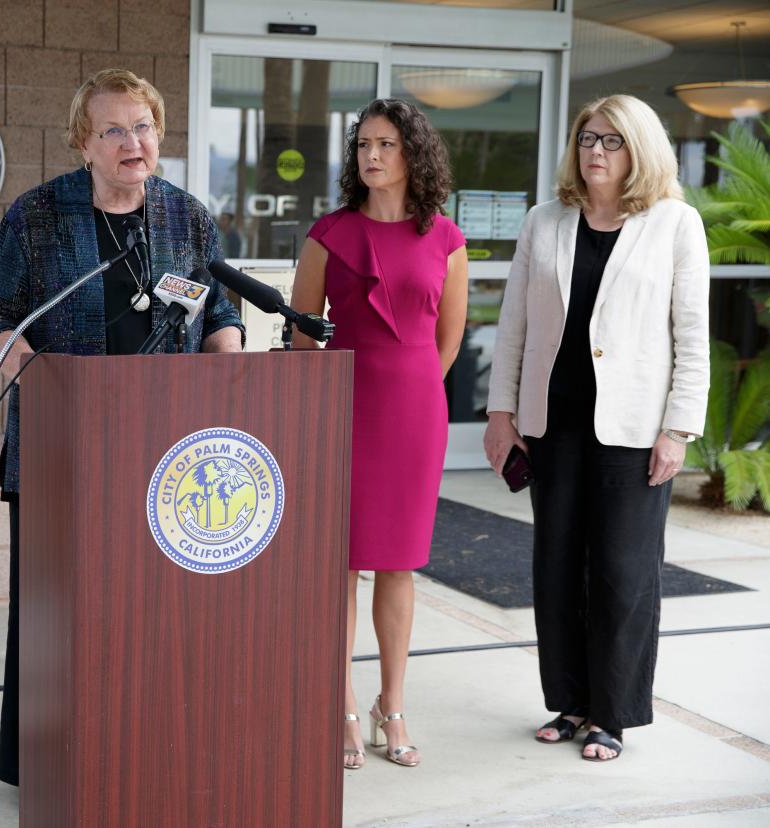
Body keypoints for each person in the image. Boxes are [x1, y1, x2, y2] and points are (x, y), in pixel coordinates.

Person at [0, 68, 245, 786]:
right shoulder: (37, 216)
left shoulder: (187, 216)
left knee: (154, 611)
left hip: (168, 450)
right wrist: (36, 376)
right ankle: (42, 761)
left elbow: (218, 310)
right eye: (114, 130)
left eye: (145, 126)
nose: (134, 142)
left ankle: (146, 743)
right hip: (65, 450)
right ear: (83, 144)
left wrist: (233, 368)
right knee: (57, 614)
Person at [483, 94, 709, 762]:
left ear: (638, 149)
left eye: (611, 141)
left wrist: (679, 429)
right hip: (553, 424)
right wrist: (501, 415)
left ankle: (613, 712)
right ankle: (571, 701)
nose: (595, 152)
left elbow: (692, 338)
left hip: (635, 428)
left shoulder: (674, 224)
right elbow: (515, 327)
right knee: (556, 566)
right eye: (587, 139)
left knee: (621, 570)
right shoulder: (543, 221)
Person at [291, 98, 469, 770]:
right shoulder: (329, 233)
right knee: (340, 563)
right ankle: (338, 705)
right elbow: (302, 332)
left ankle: (390, 707)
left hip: (415, 415)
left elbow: (448, 340)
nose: (371, 155)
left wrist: (411, 389)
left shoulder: (447, 239)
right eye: (363, 144)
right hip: (342, 411)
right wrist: (324, 410)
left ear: (413, 154)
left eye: (386, 144)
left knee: (399, 561)